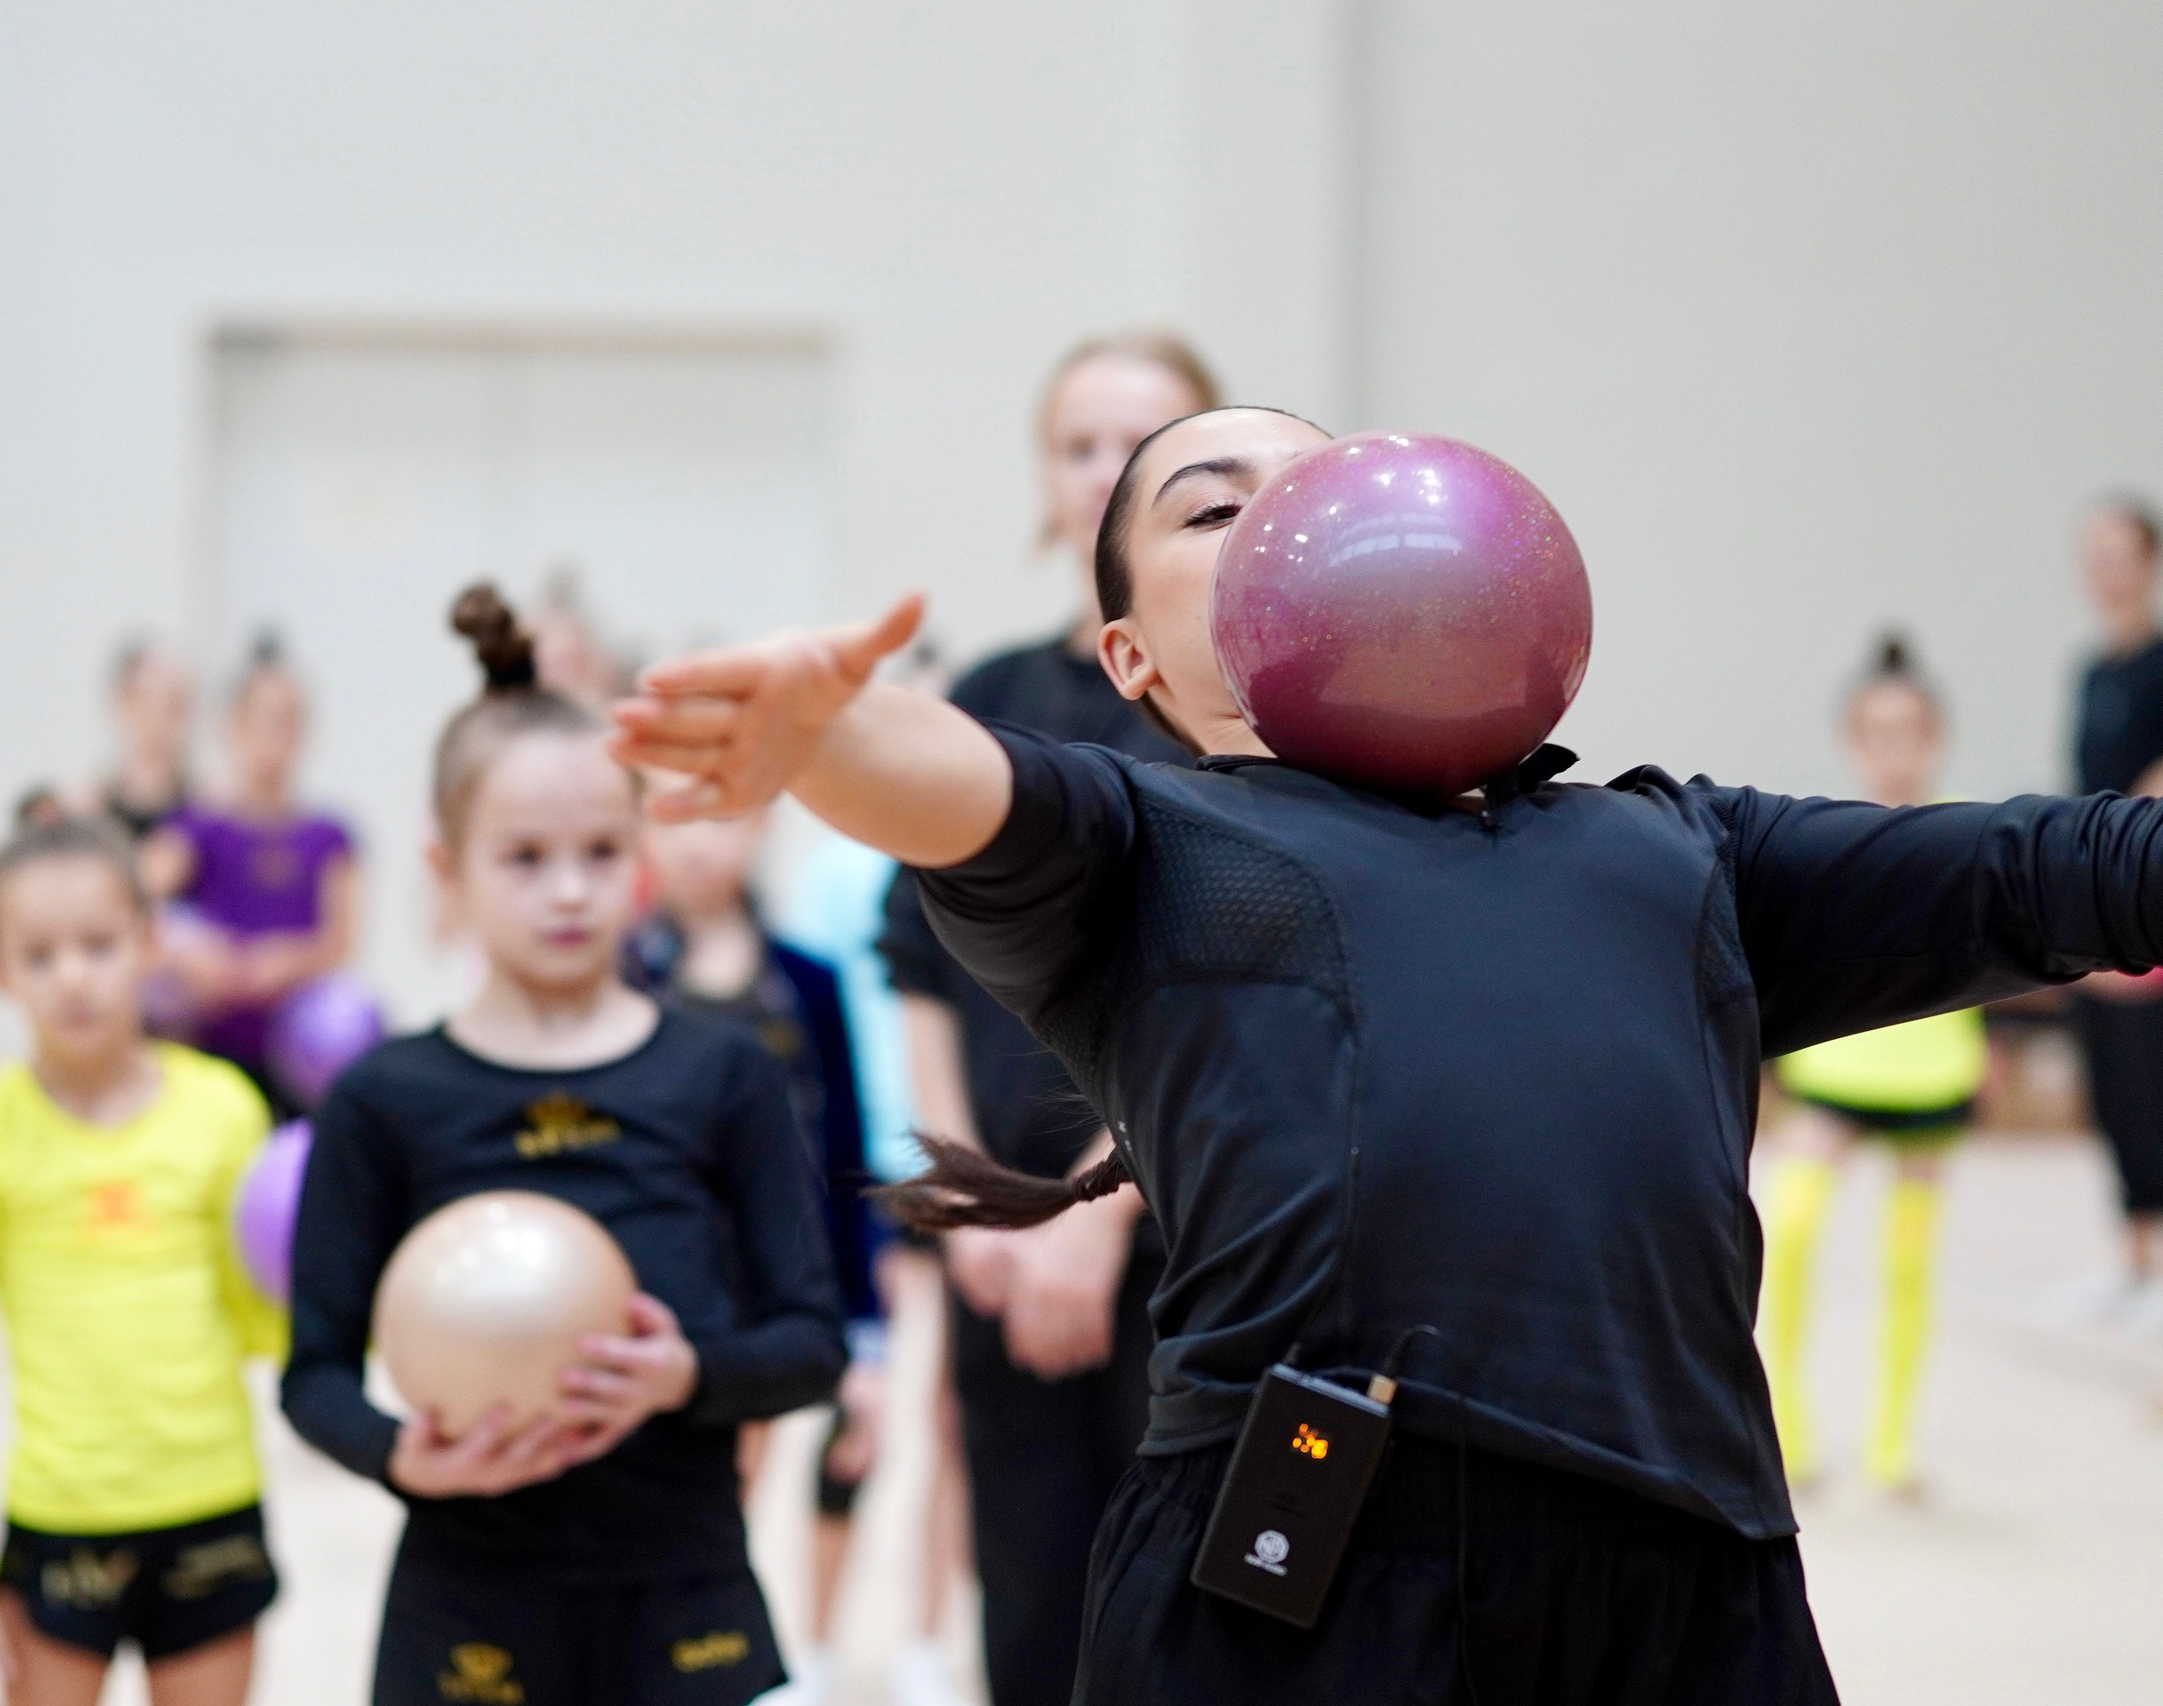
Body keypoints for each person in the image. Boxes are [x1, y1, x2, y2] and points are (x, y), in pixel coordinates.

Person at [613, 403, 2163, 1704]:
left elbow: (2050, 869)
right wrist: (823, 732)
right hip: (1308, 1575)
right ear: (1133, 658)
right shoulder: (1144, 842)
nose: (1299, 521)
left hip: (1687, 1564)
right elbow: (966, 788)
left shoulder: (1682, 849)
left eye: (1322, 482)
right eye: (1217, 507)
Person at [280, 587, 845, 1706]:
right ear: (448, 871)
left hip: (682, 1583)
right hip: (469, 1595)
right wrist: (400, 1455)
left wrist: (685, 1374)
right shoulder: (384, 1098)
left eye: (600, 850)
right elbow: (315, 1376)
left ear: (642, 857)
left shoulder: (724, 1074)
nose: (571, 890)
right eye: (526, 857)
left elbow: (809, 1343)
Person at [876, 331, 1214, 1706]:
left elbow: (1222, 1002)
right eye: (1079, 445)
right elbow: (914, 960)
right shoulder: (994, 701)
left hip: (1176, 1239)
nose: (1104, 472)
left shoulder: (1233, 721)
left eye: (1145, 446)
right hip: (1000, 1244)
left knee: (1176, 1610)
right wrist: (975, 1199)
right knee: (1025, 1594)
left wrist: (1093, 1211)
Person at [0, 817, 283, 1706]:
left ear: (151, 943)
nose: (73, 976)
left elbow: (261, 1321)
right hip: (60, 1517)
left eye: (99, 945)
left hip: (211, 1502)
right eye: (39, 955)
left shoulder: (224, 1110)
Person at [627, 806, 884, 1706]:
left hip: (775, 1289)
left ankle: (775, 1660)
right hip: (649, 1288)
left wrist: (867, 1330)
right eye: (675, 816)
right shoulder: (622, 973)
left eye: (720, 816)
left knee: (758, 1479)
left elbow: (847, 1151)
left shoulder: (805, 982)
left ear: (761, 823)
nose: (699, 840)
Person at [1757, 636, 1984, 1497]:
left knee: (1910, 1260)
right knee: (1792, 1227)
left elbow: (2002, 942)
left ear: (1934, 739)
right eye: (1876, 732)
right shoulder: (1823, 832)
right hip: (1836, 1074)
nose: (1893, 748)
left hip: (1931, 1078)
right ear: (1853, 740)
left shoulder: (1965, 832)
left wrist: (1991, 1053)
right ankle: (1788, 1432)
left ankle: (1892, 1447)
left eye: (1908, 731)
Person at [153, 636, 360, 1115]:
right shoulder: (197, 827)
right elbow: (130, 901)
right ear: (233, 725)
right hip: (208, 1035)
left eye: (289, 720)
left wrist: (288, 963)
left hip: (299, 1049)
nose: (275, 735)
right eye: (263, 718)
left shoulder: (328, 835)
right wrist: (190, 953)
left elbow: (341, 941)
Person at [2069, 495, 2163, 1333]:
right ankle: (2133, 1260)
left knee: (2151, 1074)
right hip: (2097, 890)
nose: (2106, 570)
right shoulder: (2093, 672)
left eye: (2120, 554)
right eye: (2094, 554)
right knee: (2113, 1086)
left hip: (2148, 890)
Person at [91, 640, 196, 900]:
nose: (163, 715)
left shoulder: (208, 810)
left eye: (176, 703)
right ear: (123, 702)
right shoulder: (88, 808)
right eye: (150, 699)